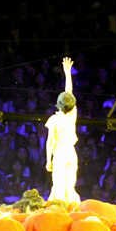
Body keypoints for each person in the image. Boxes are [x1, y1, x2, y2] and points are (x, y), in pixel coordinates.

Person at [45, 57, 81, 206]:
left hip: (60, 153)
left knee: (59, 187)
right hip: (71, 153)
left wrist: (48, 160)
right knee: (69, 185)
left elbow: (50, 142)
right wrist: (67, 73)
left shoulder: (54, 120)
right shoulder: (72, 115)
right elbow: (69, 92)